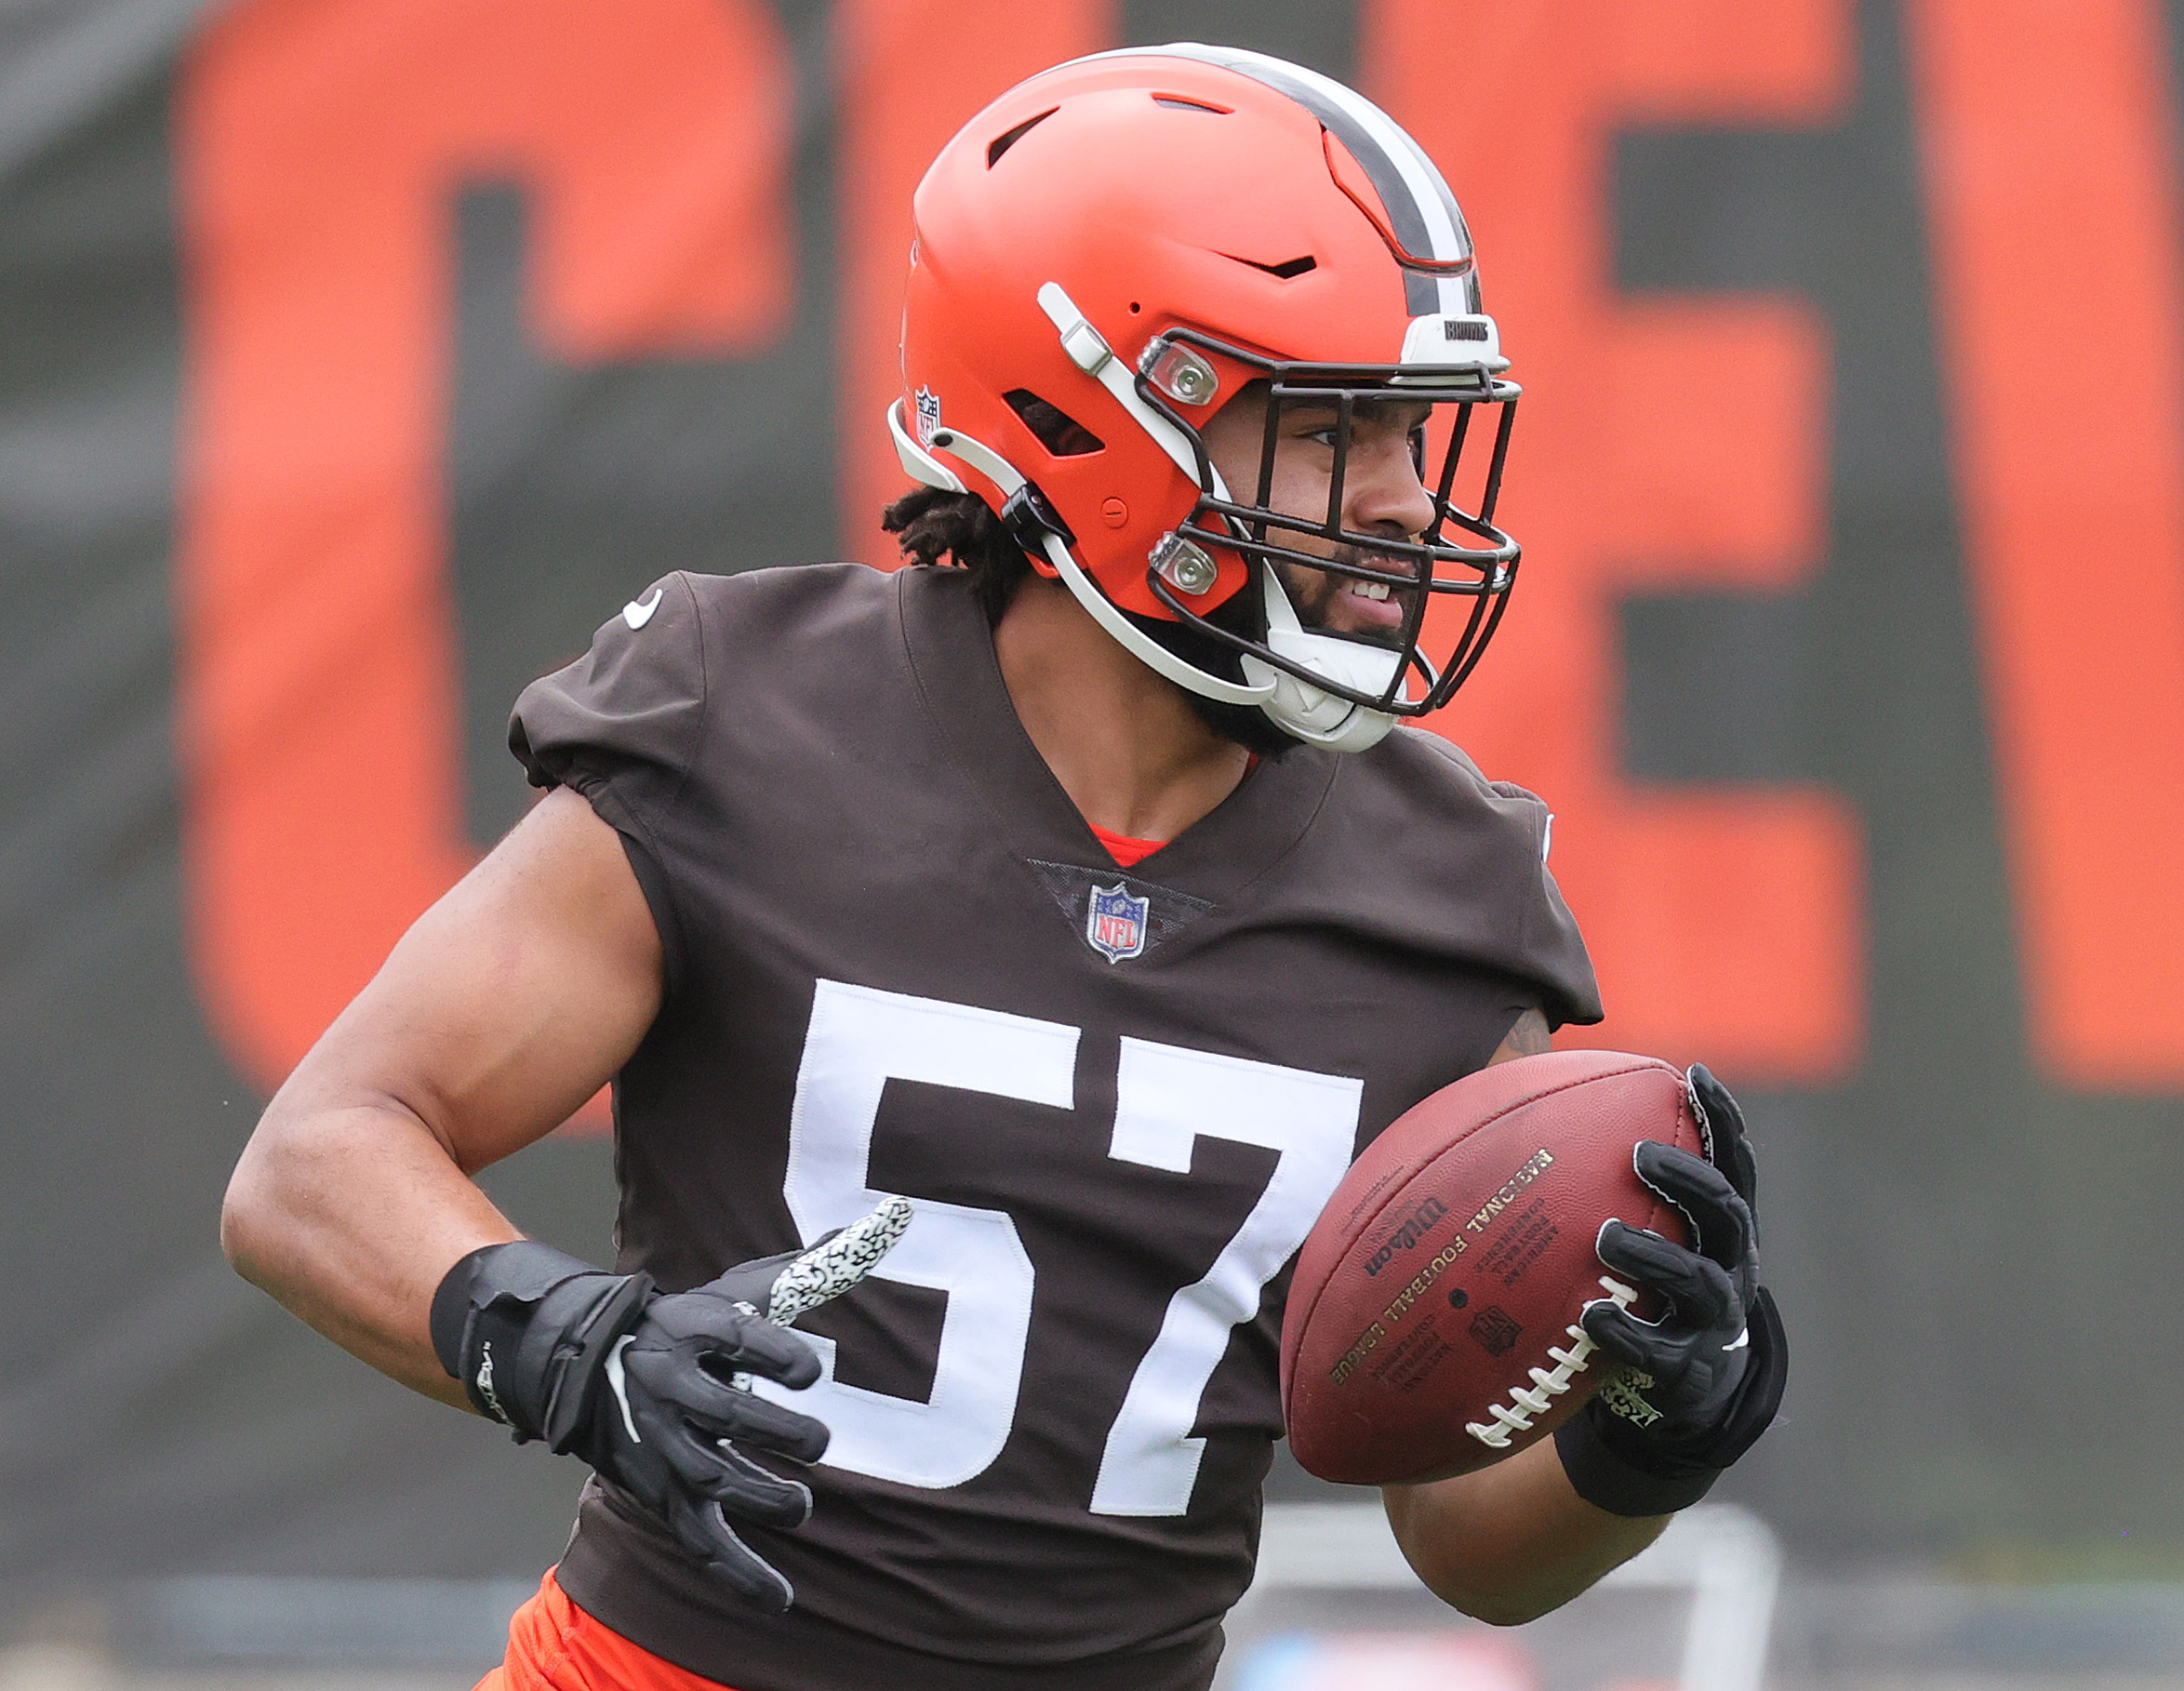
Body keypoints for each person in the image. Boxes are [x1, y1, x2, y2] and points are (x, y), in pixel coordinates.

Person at [220, 43, 1786, 1691]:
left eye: (1416, 438)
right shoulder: (745, 719)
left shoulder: (1448, 894)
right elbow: (318, 1156)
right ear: (1094, 419)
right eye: (1335, 435)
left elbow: (1463, 1539)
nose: (1402, 506)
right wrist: (564, 1340)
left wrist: (1641, 1438)